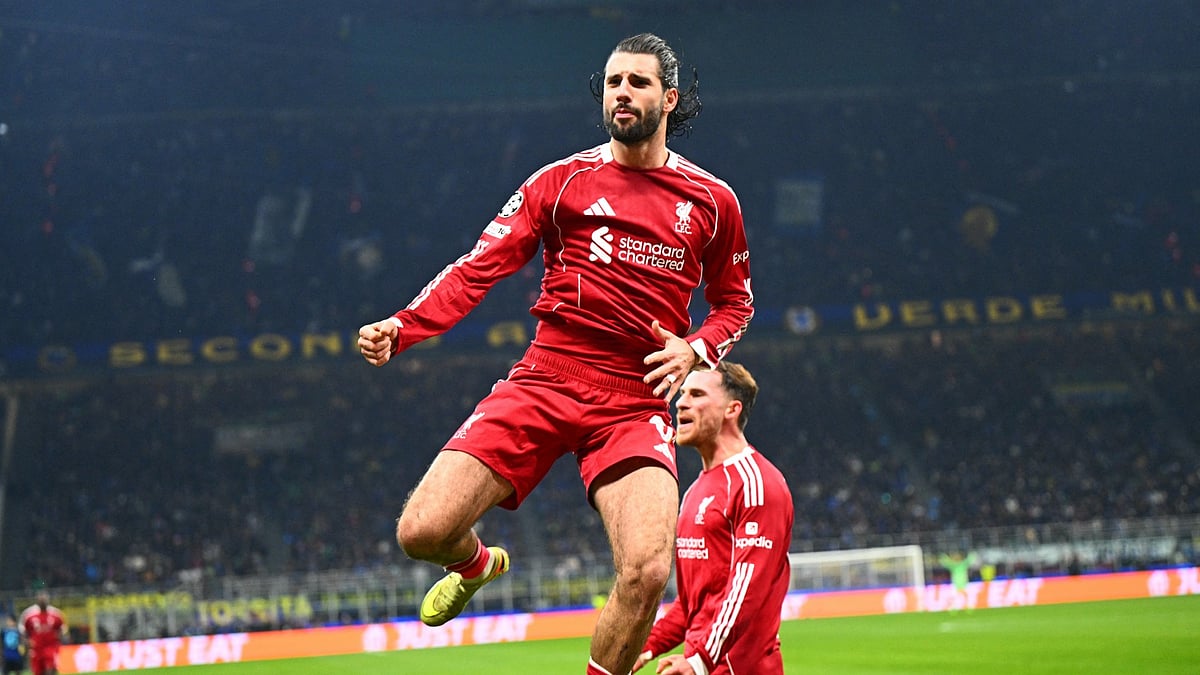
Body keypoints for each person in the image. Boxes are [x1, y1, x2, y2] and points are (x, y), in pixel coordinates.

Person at [358, 33, 754, 675]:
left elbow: (736, 303)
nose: (622, 92)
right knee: (421, 533)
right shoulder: (560, 182)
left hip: (637, 398)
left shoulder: (712, 200)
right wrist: (404, 326)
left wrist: (696, 348)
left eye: (638, 82)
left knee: (650, 568)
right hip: (547, 377)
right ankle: (475, 563)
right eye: (612, 82)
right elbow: (478, 269)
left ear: (669, 97)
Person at [632, 363, 793, 675]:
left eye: (696, 394)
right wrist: (643, 645)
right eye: (681, 394)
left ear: (732, 409)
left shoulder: (756, 483)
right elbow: (691, 602)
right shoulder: (694, 492)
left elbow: (748, 587)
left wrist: (699, 661)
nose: (680, 402)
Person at [18, 591, 67, 675]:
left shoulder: (55, 614)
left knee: (51, 670)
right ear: (37, 600)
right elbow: (23, 630)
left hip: (51, 648)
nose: (43, 600)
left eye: (44, 598)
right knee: (38, 672)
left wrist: (59, 638)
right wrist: (26, 642)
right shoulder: (29, 614)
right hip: (36, 649)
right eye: (41, 598)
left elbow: (63, 628)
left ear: (48, 599)